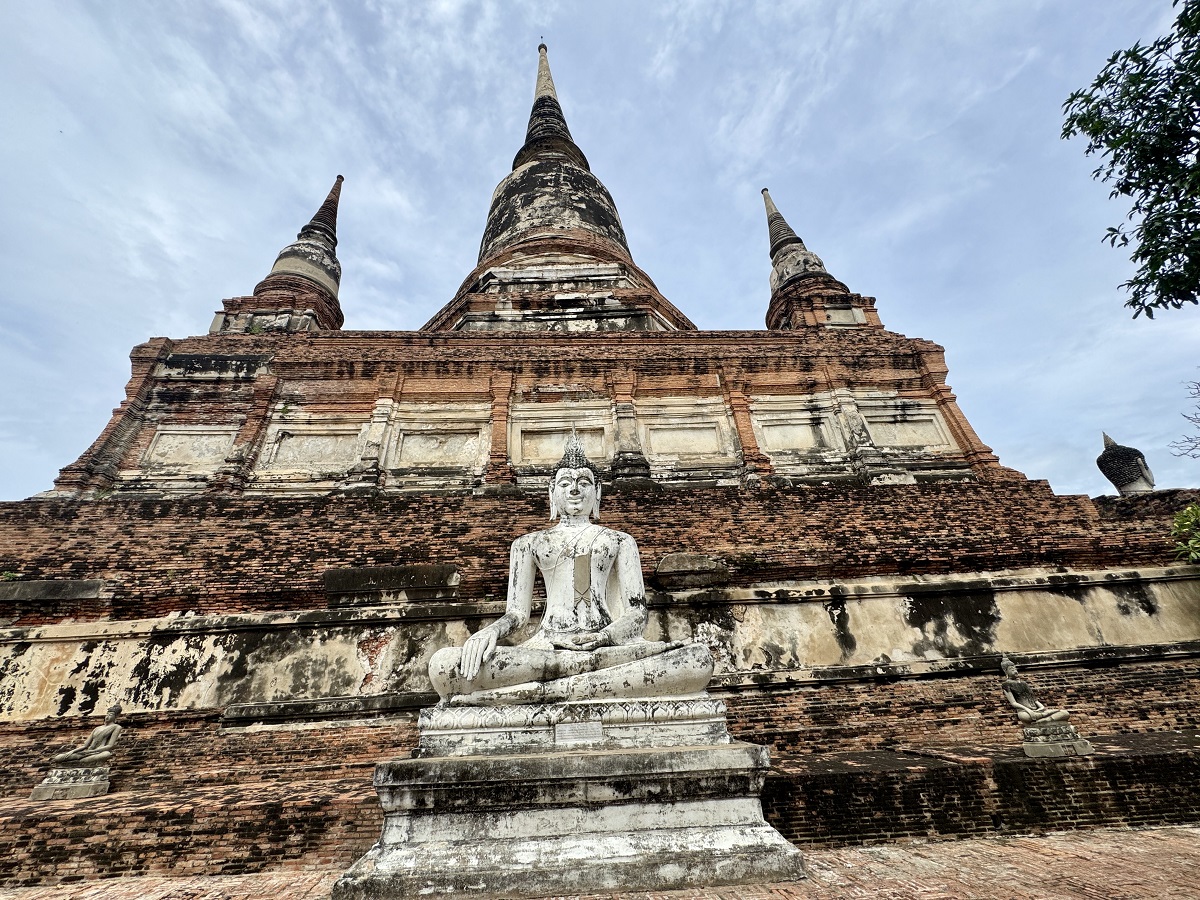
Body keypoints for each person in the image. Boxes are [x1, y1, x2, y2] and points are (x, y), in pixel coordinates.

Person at [429, 433, 712, 705]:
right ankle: (579, 685)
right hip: (548, 649)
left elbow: (637, 613)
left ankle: (543, 692)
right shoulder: (528, 544)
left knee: (697, 659)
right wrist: (490, 632)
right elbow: (516, 614)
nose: (574, 488)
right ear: (552, 492)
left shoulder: (619, 541)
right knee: (445, 666)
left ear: (597, 491)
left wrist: (602, 638)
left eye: (584, 482)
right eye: (565, 482)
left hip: (607, 647)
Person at [1000, 658, 1070, 724]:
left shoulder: (1024, 683)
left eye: (1015, 668)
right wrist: (1028, 710)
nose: (1014, 670)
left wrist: (1041, 707)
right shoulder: (1006, 684)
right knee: (1027, 717)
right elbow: (1014, 703)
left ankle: (1044, 721)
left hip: (1038, 711)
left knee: (1064, 713)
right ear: (1006, 671)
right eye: (1011, 669)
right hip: (1025, 712)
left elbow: (1035, 700)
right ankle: (1045, 719)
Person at [51, 704, 123, 766]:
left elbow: (110, 746)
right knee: (58, 758)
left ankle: (79, 762)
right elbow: (85, 746)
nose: (107, 716)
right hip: (86, 752)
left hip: (98, 752)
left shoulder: (116, 727)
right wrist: (72, 751)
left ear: (115, 717)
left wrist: (93, 752)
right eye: (107, 714)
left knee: (107, 754)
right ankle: (80, 761)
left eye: (111, 715)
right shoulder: (97, 728)